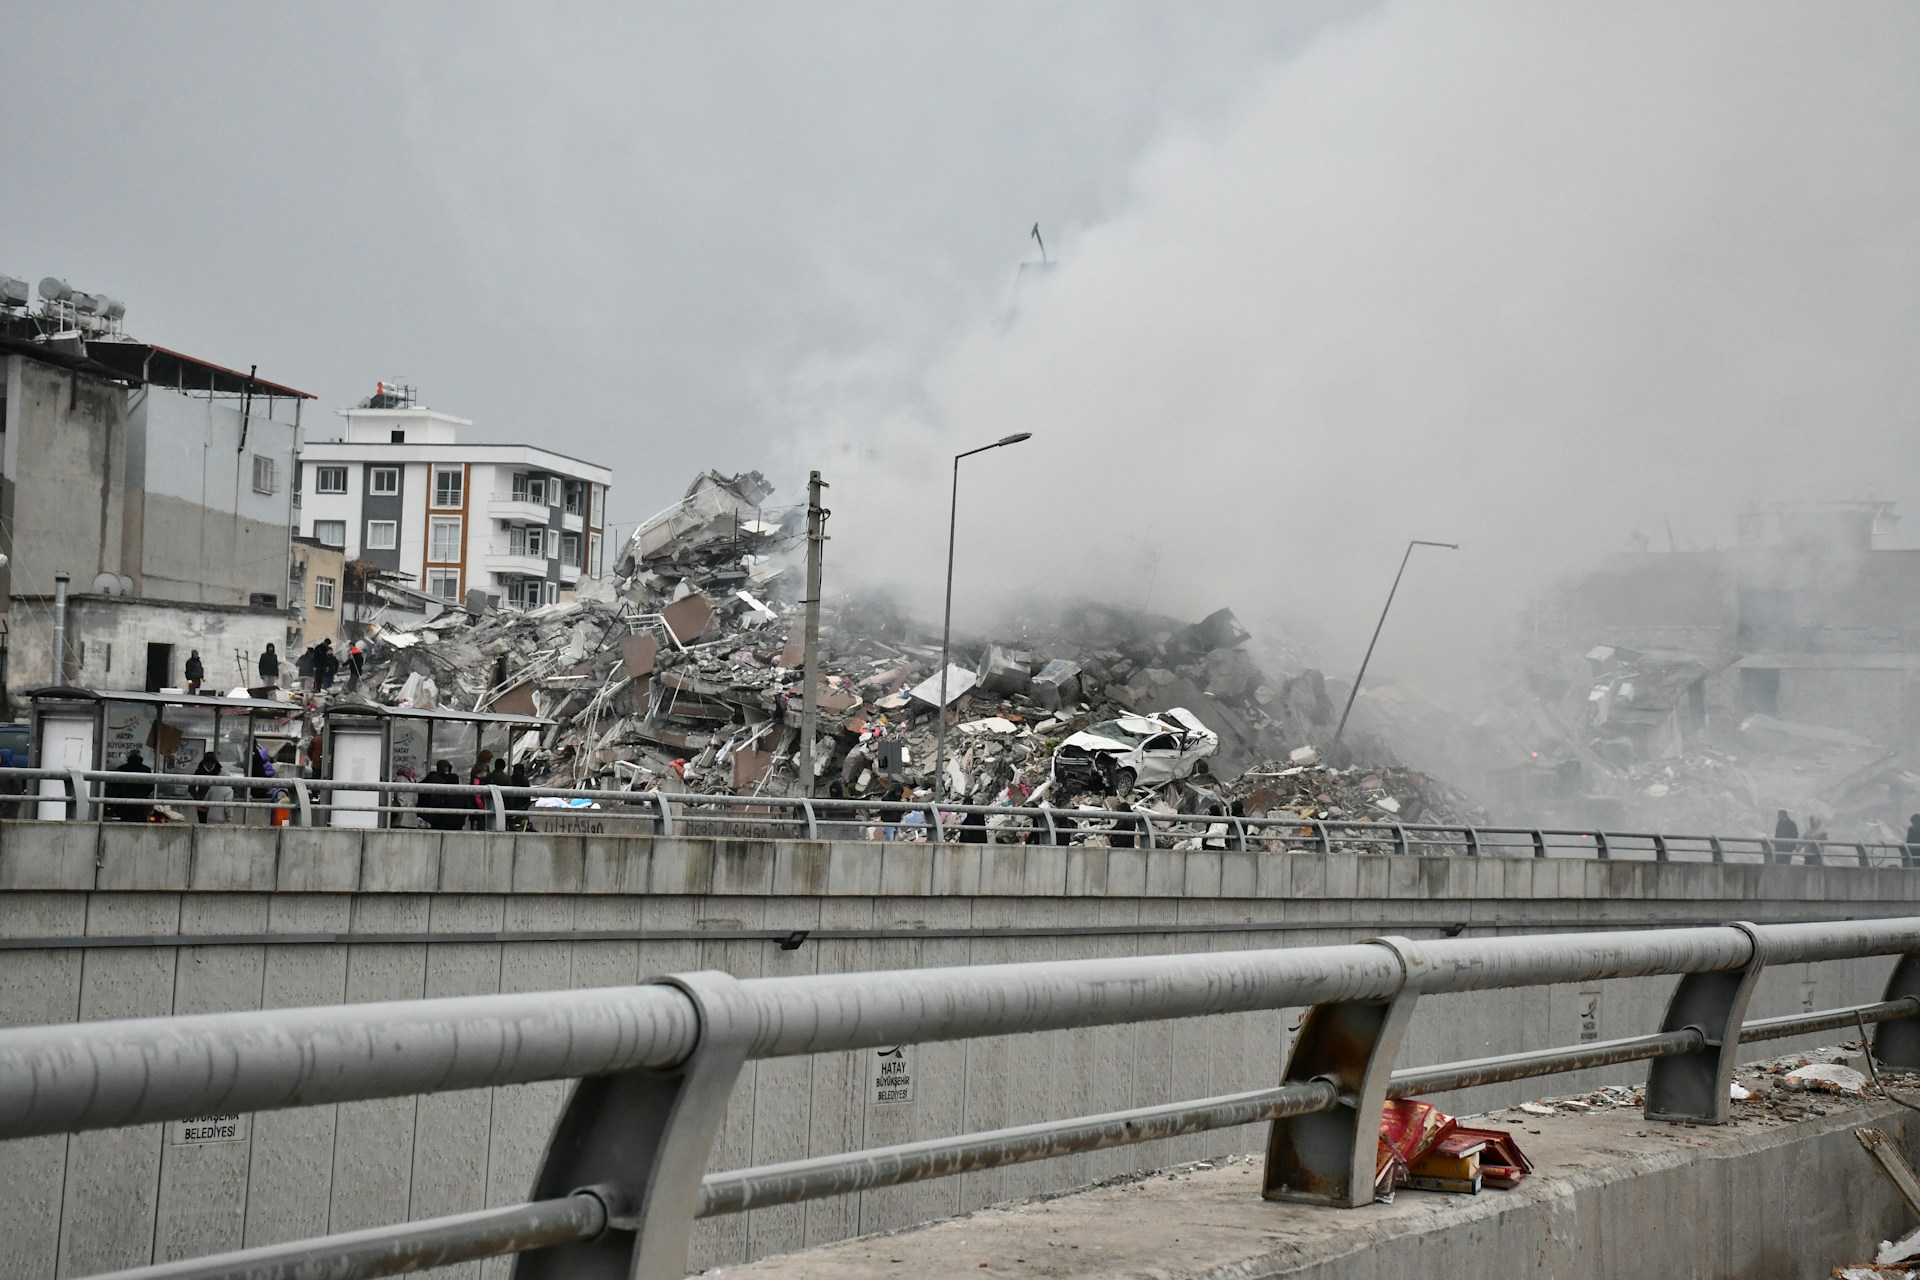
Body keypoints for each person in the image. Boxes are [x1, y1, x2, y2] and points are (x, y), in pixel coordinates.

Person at [105, 748, 155, 822]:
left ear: (128, 758)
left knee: (125, 820)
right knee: (140, 821)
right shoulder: (146, 770)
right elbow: (150, 786)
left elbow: (114, 786)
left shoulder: (122, 768)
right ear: (141, 758)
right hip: (141, 800)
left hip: (124, 801)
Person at [418, 759, 466, 831]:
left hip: (445, 813)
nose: (446, 770)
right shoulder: (435, 777)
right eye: (444, 768)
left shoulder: (451, 778)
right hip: (441, 813)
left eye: (447, 768)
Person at [188, 752, 223, 824]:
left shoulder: (218, 772)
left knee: (214, 824)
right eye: (207, 762)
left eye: (211, 763)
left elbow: (222, 788)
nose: (209, 765)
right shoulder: (199, 771)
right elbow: (191, 788)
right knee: (202, 823)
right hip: (202, 803)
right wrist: (198, 798)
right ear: (204, 762)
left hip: (214, 802)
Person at [506, 763, 533, 831]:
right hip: (522, 807)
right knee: (524, 825)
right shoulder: (525, 781)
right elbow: (527, 796)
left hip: (511, 807)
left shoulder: (510, 779)